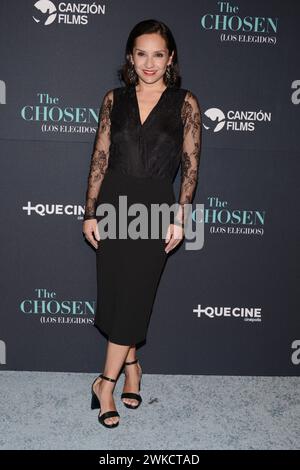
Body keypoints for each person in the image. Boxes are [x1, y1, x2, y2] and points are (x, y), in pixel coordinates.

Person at [82, 19, 202, 428]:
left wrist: (182, 217)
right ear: (130, 58)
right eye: (141, 53)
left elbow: (190, 166)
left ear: (170, 59)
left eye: (158, 54)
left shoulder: (185, 102)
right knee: (117, 296)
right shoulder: (114, 99)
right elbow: (99, 157)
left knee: (136, 297)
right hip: (114, 202)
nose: (149, 63)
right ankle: (133, 368)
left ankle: (105, 383)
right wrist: (90, 212)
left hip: (154, 208)